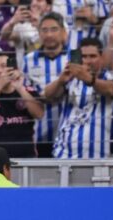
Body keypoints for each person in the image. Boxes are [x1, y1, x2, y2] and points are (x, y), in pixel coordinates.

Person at [45, 37, 113, 158]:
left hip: (98, 156)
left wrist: (88, 78)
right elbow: (48, 95)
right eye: (84, 56)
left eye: (93, 56)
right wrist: (60, 81)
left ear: (101, 57)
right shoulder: (70, 79)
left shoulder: (109, 77)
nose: (88, 61)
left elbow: (111, 89)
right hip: (64, 154)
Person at [0, 52, 44, 157]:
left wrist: (20, 88)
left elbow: (39, 114)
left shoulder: (27, 90)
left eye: (3, 66)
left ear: (13, 69)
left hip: (27, 158)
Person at [23, 12, 68, 157]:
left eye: (54, 29)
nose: (49, 34)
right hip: (38, 135)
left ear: (63, 32)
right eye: (44, 30)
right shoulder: (28, 61)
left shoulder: (72, 59)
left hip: (67, 136)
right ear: (39, 33)